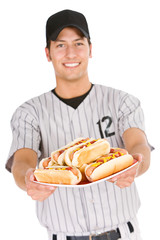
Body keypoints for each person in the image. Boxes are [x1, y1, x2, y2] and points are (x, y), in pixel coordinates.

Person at [6, 9, 151, 240]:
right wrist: (28, 179)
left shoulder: (122, 101)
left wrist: (136, 166)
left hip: (124, 233)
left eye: (78, 43)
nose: (71, 53)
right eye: (61, 45)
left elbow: (139, 145)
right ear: (48, 53)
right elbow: (22, 161)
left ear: (90, 49)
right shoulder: (29, 113)